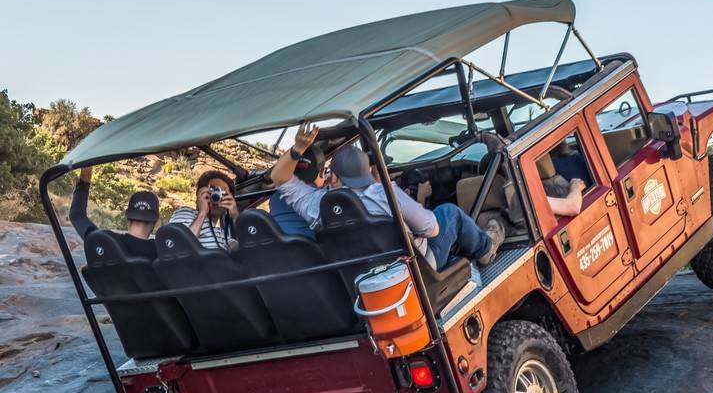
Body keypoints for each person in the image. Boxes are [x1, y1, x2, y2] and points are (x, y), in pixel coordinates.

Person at [269, 123, 503, 270]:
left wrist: (297, 149)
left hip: (362, 279)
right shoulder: (384, 194)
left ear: (333, 178)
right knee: (449, 213)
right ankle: (485, 249)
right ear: (365, 173)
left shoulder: (317, 205)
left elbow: (279, 177)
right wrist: (418, 200)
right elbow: (432, 230)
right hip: (417, 273)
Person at [69, 167, 160, 258]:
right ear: (155, 222)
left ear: (127, 217)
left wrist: (86, 170)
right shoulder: (162, 253)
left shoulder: (104, 241)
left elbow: (76, 215)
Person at [168, 170, 238, 250]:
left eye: (222, 193)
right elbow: (177, 248)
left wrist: (235, 217)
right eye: (212, 191)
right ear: (199, 194)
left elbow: (247, 250)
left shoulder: (222, 235)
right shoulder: (185, 212)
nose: (216, 196)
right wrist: (202, 213)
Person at [269, 146, 323, 239]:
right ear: (322, 173)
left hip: (276, 249)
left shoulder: (274, 197)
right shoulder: (321, 200)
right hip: (309, 251)